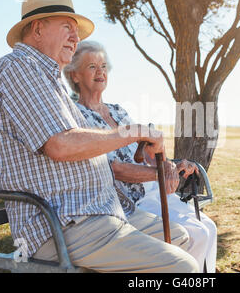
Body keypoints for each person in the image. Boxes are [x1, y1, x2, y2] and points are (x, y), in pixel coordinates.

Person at [0, 0, 199, 273]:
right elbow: (60, 145)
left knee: (180, 236)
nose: (76, 37)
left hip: (96, 214)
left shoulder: (48, 80)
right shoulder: (18, 68)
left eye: (76, 31)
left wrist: (141, 147)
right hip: (61, 223)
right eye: (67, 27)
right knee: (184, 269)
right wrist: (134, 131)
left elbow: (85, 144)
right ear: (37, 29)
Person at [63, 40, 218, 273]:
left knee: (208, 227)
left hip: (149, 190)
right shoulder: (76, 116)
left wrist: (171, 165)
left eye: (103, 66)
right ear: (75, 75)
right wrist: (160, 174)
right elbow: (113, 168)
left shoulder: (117, 110)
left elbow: (147, 152)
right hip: (125, 200)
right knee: (196, 234)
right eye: (92, 66)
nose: (100, 72)